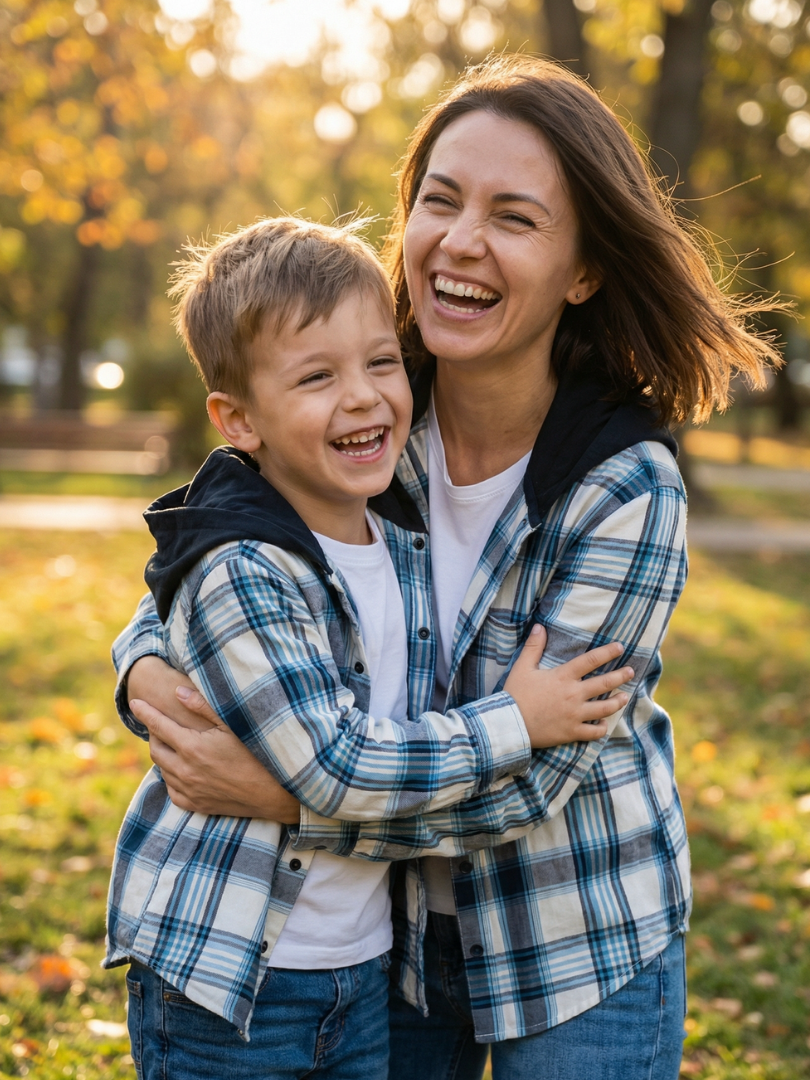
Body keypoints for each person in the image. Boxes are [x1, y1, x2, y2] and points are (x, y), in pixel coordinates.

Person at [114, 57, 779, 1080]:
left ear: (584, 270)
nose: (462, 241)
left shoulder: (625, 487)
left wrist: (285, 791)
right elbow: (219, 560)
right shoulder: (365, 410)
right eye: (441, 200)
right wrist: (144, 669)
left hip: (574, 928)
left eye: (515, 217)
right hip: (399, 938)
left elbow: (528, 786)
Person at [105, 214, 633, 1080]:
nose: (362, 396)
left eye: (382, 362)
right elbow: (339, 763)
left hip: (362, 973)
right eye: (316, 377)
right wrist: (517, 722)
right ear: (238, 420)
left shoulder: (398, 531)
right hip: (235, 979)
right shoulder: (244, 569)